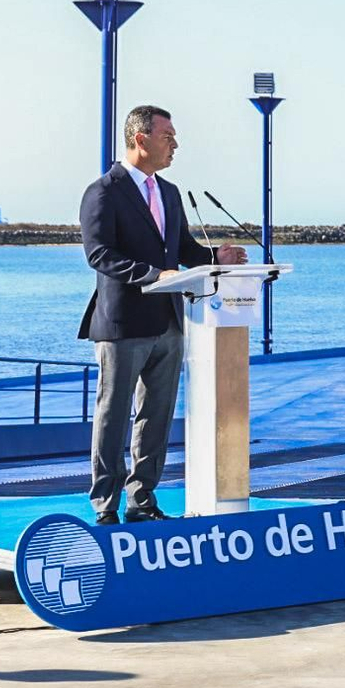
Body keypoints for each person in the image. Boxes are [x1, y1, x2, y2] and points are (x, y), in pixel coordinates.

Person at [78, 105, 247, 526]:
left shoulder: (168, 192)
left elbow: (182, 249)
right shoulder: (104, 191)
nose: (175, 144)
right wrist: (155, 275)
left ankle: (142, 501)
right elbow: (99, 255)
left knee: (157, 415)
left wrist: (216, 257)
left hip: (169, 320)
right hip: (123, 322)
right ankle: (105, 505)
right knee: (113, 414)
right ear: (141, 139)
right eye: (167, 136)